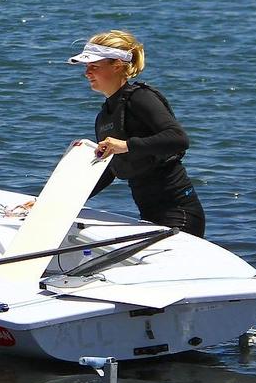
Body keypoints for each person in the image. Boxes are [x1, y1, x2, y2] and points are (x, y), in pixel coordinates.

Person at [68, 30, 206, 237]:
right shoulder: (104, 116)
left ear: (117, 65)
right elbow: (109, 170)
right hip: (148, 214)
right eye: (86, 67)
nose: (87, 73)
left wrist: (125, 146)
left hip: (180, 213)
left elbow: (178, 138)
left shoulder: (141, 97)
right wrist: (63, 202)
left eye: (94, 66)